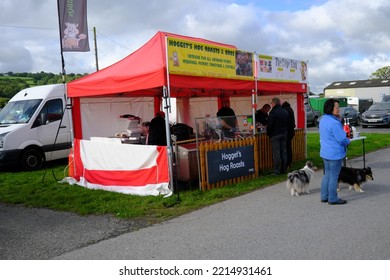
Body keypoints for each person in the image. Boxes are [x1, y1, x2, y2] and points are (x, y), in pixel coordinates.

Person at [319, 99, 350, 205]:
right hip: (334, 154)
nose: (339, 109)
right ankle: (332, 198)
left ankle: (324, 196)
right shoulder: (334, 123)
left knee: (327, 175)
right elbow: (342, 139)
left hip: (325, 152)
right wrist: (348, 141)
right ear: (330, 108)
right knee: (333, 176)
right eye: (337, 107)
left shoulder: (323, 120)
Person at [267, 97, 289, 175]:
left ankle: (276, 171)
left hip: (275, 134)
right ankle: (284, 169)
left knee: (276, 153)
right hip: (284, 133)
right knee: (283, 152)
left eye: (271, 103)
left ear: (273, 103)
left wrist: (269, 133)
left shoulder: (273, 112)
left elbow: (270, 125)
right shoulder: (285, 111)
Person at [282, 101, 296, 168]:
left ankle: (287, 163)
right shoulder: (290, 109)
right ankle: (290, 162)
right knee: (289, 147)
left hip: (287, 132)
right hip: (291, 131)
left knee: (286, 148)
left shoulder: (285, 110)